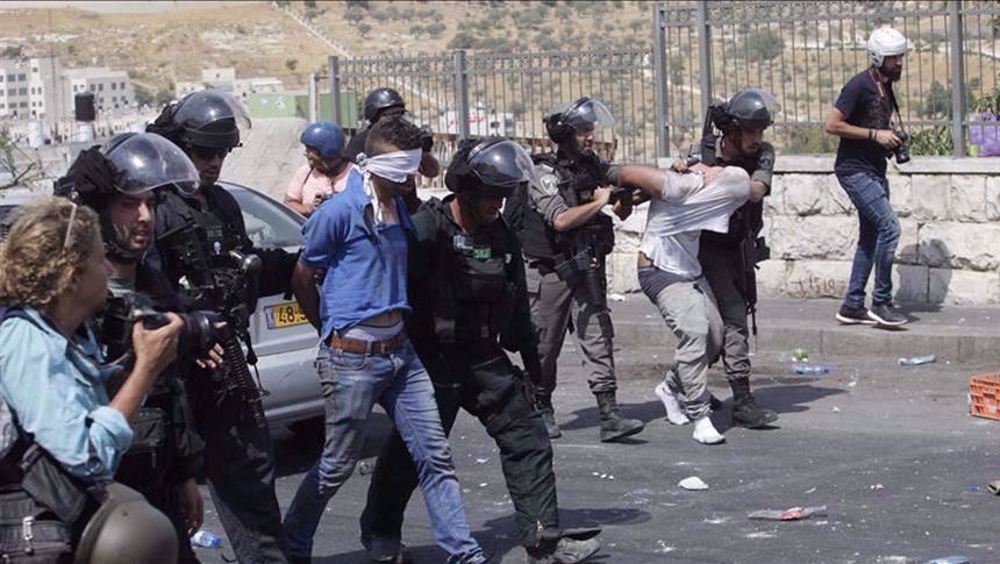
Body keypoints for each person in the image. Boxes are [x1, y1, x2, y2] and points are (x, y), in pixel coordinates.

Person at [359, 138, 602, 564]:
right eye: (492, 194)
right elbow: (389, 284)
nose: (499, 202)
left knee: (528, 435)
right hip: (429, 363)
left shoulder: (501, 234)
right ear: (466, 188)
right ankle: (380, 533)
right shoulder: (426, 229)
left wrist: (533, 371)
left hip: (483, 357)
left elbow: (517, 310)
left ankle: (542, 541)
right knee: (411, 453)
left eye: (506, 194)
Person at [283, 115, 487, 564]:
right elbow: (303, 274)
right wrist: (328, 331)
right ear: (373, 165)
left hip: (401, 356)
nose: (410, 180)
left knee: (435, 458)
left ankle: (463, 554)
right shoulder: (337, 212)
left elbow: (428, 170)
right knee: (336, 466)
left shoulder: (399, 205)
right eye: (401, 173)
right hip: (351, 359)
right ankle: (290, 547)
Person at [147, 89, 298, 563]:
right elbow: (145, 296)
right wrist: (190, 329)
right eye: (202, 153)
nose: (212, 164)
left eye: (219, 154)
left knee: (252, 482)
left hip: (225, 366)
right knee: (167, 496)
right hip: (173, 374)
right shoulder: (154, 211)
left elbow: (242, 271)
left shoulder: (222, 206)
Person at [53, 132, 219, 563]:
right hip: (98, 494)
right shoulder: (73, 298)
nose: (144, 217)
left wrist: (183, 475)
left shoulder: (154, 285)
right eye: (129, 204)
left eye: (150, 204)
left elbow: (170, 393)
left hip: (157, 483)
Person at [0, 197, 182, 560]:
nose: (108, 270)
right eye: (100, 259)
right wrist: (144, 373)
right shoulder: (26, 342)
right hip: (36, 542)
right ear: (73, 277)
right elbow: (88, 456)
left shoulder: (67, 335)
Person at [505, 96, 643, 442]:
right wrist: (599, 201)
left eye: (591, 130)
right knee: (543, 346)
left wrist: (634, 192)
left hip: (587, 264)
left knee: (598, 336)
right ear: (565, 135)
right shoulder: (543, 173)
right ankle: (540, 406)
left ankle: (609, 413)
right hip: (550, 270)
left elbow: (620, 183)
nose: (590, 137)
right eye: (583, 131)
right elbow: (562, 219)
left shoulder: (592, 166)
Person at [611, 162, 752, 444]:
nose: (708, 170)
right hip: (658, 270)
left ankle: (670, 387)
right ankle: (699, 415)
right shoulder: (681, 185)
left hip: (689, 271)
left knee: (715, 337)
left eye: (714, 171)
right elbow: (625, 172)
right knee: (695, 332)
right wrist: (619, 191)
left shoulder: (716, 195)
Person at [670, 88, 780, 429]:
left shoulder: (763, 154)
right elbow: (677, 184)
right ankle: (742, 400)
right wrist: (689, 169)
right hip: (705, 248)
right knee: (729, 321)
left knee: (718, 330)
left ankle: (680, 385)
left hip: (739, 247)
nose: (757, 138)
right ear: (731, 130)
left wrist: (722, 174)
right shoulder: (701, 152)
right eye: (751, 131)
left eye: (760, 131)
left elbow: (756, 190)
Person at [825, 27, 909, 327]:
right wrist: (875, 134)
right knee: (890, 228)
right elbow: (832, 125)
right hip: (854, 170)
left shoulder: (885, 87)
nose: (899, 63)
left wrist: (890, 137)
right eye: (893, 58)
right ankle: (882, 302)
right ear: (877, 58)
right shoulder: (859, 85)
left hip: (874, 170)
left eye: (901, 57)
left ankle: (853, 304)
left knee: (870, 237)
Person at [343, 87, 440, 213]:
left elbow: (432, 172)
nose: (396, 118)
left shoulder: (407, 136)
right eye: (389, 115)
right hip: (374, 209)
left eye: (399, 114)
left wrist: (422, 151)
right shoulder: (360, 141)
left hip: (408, 209)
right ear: (374, 116)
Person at [284, 121, 352, 216]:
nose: (306, 154)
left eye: (310, 150)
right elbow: (288, 203)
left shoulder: (355, 174)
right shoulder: (305, 172)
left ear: (328, 151)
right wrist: (308, 208)